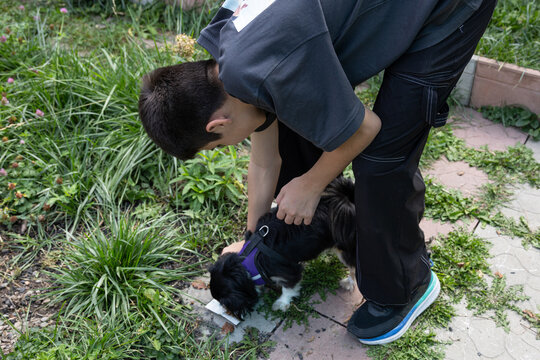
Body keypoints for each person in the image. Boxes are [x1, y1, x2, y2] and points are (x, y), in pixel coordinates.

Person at [139, 0, 497, 345]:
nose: (228, 147)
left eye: (217, 145)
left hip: (443, 11)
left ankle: (407, 284)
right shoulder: (230, 63)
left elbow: (365, 128)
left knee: (381, 157)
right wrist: (253, 240)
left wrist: (311, 185)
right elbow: (266, 161)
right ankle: (331, 225)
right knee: (291, 126)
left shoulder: (266, 70)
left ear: (217, 124)